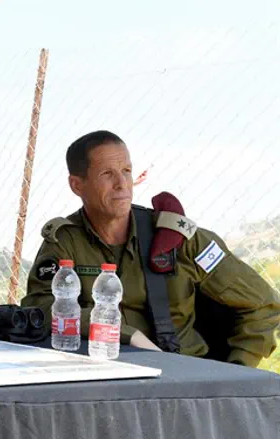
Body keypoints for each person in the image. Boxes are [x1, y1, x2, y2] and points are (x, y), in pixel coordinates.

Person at [21, 130, 280, 367]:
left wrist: (236, 372)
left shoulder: (180, 238)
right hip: (101, 371)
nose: (122, 184)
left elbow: (263, 304)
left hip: (185, 372)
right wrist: (126, 333)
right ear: (77, 185)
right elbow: (39, 307)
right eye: (107, 174)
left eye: (126, 171)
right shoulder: (66, 242)